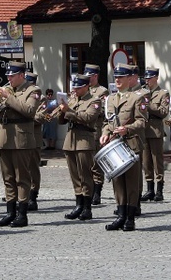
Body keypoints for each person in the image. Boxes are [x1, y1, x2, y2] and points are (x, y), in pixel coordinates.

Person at [0, 61, 42, 228]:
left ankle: (22, 214)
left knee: (22, 177)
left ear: (22, 75)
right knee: (8, 178)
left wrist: (8, 97)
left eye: (12, 75)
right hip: (5, 137)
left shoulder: (32, 91)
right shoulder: (8, 90)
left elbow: (29, 111)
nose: (9, 78)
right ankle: (10, 212)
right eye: (8, 75)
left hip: (21, 139)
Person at [100, 63, 147, 231]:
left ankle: (130, 217)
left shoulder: (137, 97)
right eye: (116, 77)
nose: (117, 80)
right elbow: (107, 121)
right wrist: (105, 133)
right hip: (115, 144)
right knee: (118, 181)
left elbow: (142, 121)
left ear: (129, 79)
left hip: (131, 144)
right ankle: (120, 215)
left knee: (132, 182)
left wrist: (127, 128)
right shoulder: (111, 99)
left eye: (121, 77)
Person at [58, 73, 101, 221]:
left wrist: (68, 111)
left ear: (86, 86)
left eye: (78, 87)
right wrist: (61, 111)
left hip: (84, 140)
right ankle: (78, 204)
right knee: (75, 175)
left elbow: (88, 118)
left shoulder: (94, 101)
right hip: (71, 140)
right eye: (74, 87)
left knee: (85, 174)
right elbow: (62, 121)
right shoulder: (73, 99)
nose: (75, 90)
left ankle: (87, 207)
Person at [140, 67, 170, 202]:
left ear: (156, 78)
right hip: (144, 130)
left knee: (157, 161)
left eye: (150, 78)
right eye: (146, 78)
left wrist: (148, 105)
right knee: (146, 162)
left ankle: (159, 190)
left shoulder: (163, 93)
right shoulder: (142, 92)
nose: (147, 81)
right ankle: (149, 189)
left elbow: (163, 112)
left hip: (155, 130)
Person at [84, 63, 109, 205]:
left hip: (96, 130)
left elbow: (104, 110)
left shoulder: (102, 92)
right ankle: (88, 189)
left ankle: (97, 191)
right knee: (86, 162)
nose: (87, 79)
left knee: (96, 162)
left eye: (90, 76)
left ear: (95, 76)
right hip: (84, 130)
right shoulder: (83, 90)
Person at [26, 71, 44, 211]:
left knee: (33, 168)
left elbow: (40, 117)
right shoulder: (21, 96)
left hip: (34, 137)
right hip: (20, 138)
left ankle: (33, 195)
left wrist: (24, 116)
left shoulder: (40, 98)